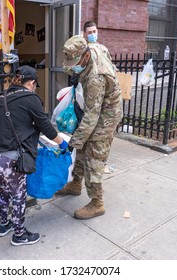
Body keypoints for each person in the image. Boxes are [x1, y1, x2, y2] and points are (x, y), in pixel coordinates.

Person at [0, 65, 68, 246]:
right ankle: (19, 234)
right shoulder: (30, 98)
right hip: (9, 158)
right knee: (19, 195)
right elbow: (45, 125)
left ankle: (4, 225)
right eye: (35, 85)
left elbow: (9, 124)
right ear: (32, 83)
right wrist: (62, 143)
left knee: (4, 191)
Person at [56, 35, 123, 220]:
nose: (73, 65)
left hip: (106, 116)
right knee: (82, 147)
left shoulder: (95, 78)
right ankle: (76, 184)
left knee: (94, 156)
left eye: (76, 61)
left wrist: (73, 141)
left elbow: (92, 117)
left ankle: (97, 203)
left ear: (85, 56)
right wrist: (78, 141)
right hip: (97, 109)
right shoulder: (94, 47)